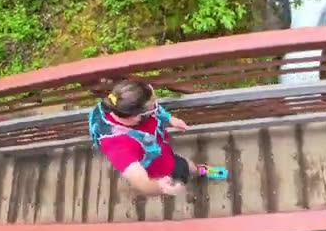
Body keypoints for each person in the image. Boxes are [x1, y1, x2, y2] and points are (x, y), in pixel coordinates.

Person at [88, 78, 227, 197]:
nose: (156, 105)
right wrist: (161, 186)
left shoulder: (118, 105)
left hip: (158, 146)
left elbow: (154, 109)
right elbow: (139, 180)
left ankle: (197, 170)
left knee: (182, 163)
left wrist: (170, 119)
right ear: (136, 116)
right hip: (159, 167)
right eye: (151, 106)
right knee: (186, 166)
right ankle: (199, 171)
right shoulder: (117, 144)